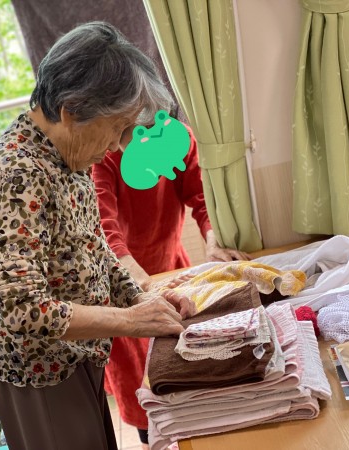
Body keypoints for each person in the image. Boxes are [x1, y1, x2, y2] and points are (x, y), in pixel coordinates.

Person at [0, 22, 196, 450]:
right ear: (71, 109)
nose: (119, 146)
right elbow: (22, 309)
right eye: (117, 128)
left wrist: (143, 299)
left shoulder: (67, 157)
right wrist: (131, 321)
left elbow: (95, 250)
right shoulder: (18, 173)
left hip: (75, 356)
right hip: (38, 371)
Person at [92, 120, 250, 448]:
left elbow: (202, 196)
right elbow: (104, 227)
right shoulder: (104, 150)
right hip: (120, 287)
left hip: (171, 272)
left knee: (189, 369)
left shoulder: (177, 137)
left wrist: (213, 241)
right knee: (142, 389)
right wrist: (143, 285)